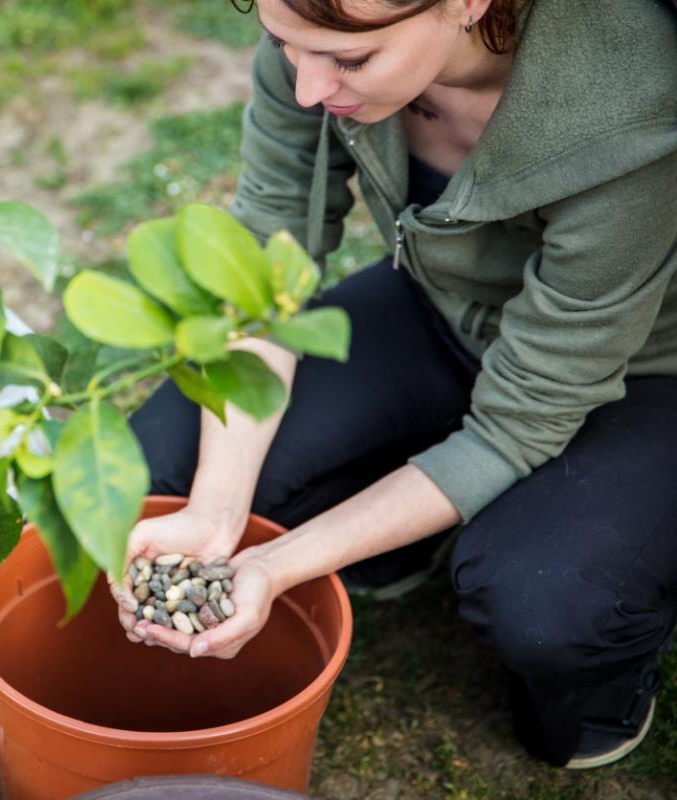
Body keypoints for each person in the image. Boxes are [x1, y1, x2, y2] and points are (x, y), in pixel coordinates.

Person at [111, 0, 677, 770]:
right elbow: (260, 278)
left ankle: (603, 679)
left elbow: (523, 419)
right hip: (443, 312)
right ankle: (408, 520)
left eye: (350, 61)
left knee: (546, 605)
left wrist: (276, 566)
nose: (309, 87)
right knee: (160, 468)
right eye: (285, 45)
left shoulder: (635, 110)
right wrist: (216, 514)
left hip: (640, 373)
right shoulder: (319, 32)